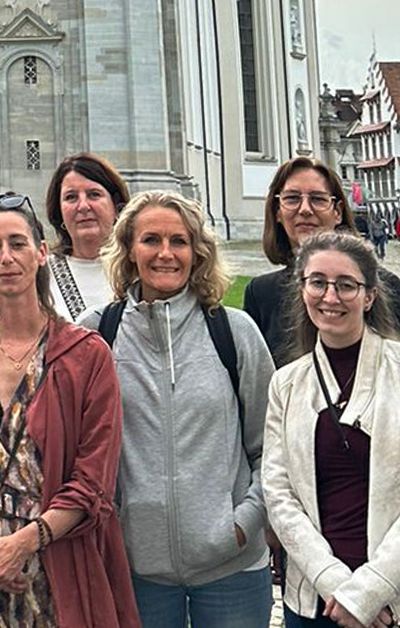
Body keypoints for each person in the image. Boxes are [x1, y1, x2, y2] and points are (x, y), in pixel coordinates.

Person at [0, 194, 141, 628]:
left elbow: (93, 480)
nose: (6, 257)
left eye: (18, 243)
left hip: (58, 566)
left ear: (42, 253)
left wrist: (21, 545)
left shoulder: (85, 355)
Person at [82, 191, 274, 628]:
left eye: (179, 241)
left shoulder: (234, 332)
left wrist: (244, 522)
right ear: (130, 250)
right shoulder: (98, 334)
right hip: (137, 571)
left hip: (232, 568)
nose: (165, 254)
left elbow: (272, 446)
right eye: (151, 240)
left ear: (197, 252)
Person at [263, 231, 400, 628]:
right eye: (318, 282)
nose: (330, 297)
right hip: (320, 600)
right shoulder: (285, 384)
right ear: (302, 289)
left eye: (346, 285)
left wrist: (371, 590)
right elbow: (279, 493)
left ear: (369, 295)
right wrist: (336, 584)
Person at [243, 157, 400, 365]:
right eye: (292, 198)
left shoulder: (384, 286)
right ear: (277, 211)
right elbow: (254, 382)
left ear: (337, 212)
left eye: (318, 199)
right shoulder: (261, 294)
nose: (305, 209)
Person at [42, 153, 131, 320]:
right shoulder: (38, 275)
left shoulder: (137, 268)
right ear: (59, 211)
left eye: (94, 194)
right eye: (71, 197)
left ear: (117, 205)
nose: (83, 206)